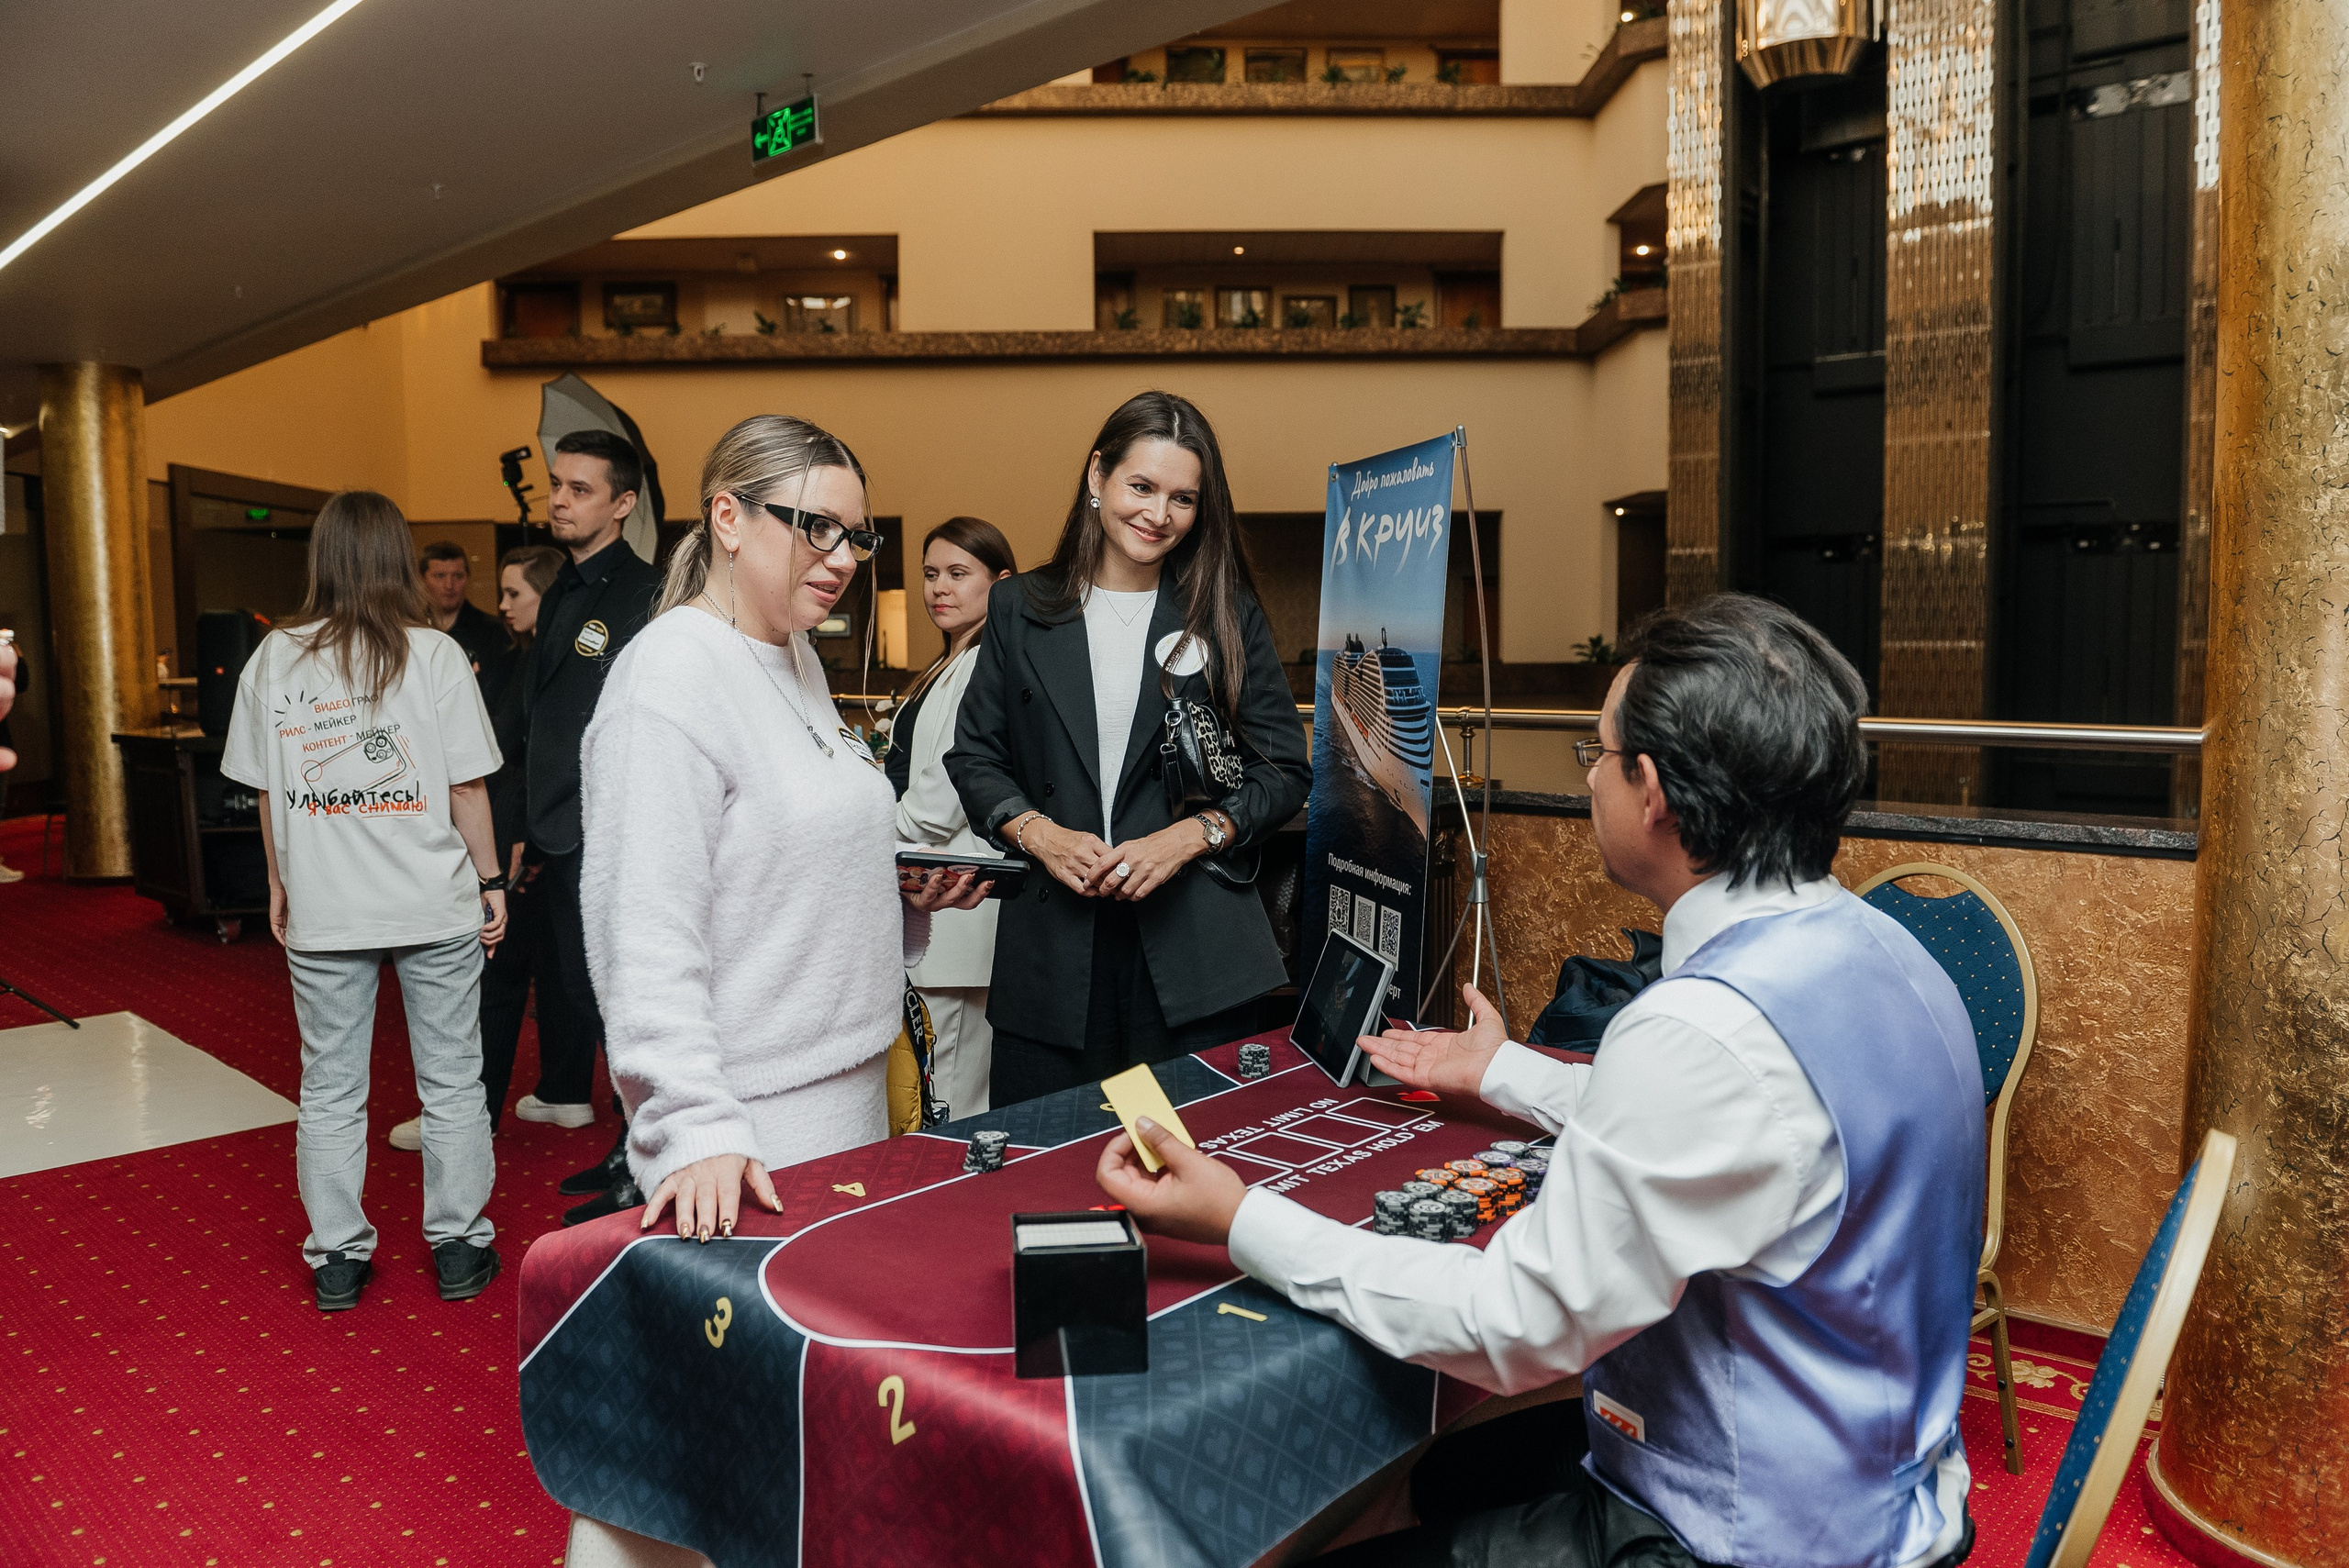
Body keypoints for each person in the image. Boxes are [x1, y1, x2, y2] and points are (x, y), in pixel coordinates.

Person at [1097, 594, 1987, 1568]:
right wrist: (1507, 1072)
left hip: (1738, 1536)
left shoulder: (1700, 1031)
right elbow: (1761, 1129)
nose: (1592, 778)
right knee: (1394, 1479)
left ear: (1652, 790)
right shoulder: (1889, 951)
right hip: (1889, 1487)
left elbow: (1510, 1324)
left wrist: (1240, 1216)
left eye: (1596, 754)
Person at [581, 413, 986, 1242]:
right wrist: (691, 1126)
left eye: (856, 537)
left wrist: (902, 891)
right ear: (728, 518)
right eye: (818, 528)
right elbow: (643, 932)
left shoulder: (795, 655)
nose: (843, 558)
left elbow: (785, 849)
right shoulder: (668, 676)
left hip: (853, 1084)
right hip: (751, 1121)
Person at [947, 390, 1310, 1104]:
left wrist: (1189, 836)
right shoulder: (1020, 606)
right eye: (1141, 486)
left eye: (1182, 497)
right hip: (1054, 953)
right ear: (1097, 477)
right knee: (1044, 1171)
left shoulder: (1224, 609)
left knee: (1183, 1172)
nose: (1158, 513)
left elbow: (1283, 770)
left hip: (1193, 953)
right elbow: (974, 756)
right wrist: (1038, 832)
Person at [218, 490, 509, 1313]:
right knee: (454, 1081)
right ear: (397, 560)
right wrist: (491, 881)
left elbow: (271, 793)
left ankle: (338, 1260)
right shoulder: (436, 656)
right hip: (433, 900)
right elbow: (465, 785)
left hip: (328, 907)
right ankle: (458, 1246)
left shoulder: (277, 657)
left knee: (330, 1087)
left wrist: (280, 883)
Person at [518, 429, 664, 1226]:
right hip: (554, 828)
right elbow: (543, 715)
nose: (561, 500)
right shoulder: (563, 588)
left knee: (622, 993)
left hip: (611, 825)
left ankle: (644, 1152)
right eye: (557, 486)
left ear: (623, 503)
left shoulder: (644, 593)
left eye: (579, 489)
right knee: (579, 990)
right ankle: (628, 1143)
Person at [386, 544, 567, 1152]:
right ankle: (564, 1091)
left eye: (516, 593)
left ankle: (472, 1118)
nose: (503, 603)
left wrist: (510, 843)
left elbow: (512, 762)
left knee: (501, 976)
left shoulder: (528, 657)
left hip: (522, 831)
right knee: (554, 968)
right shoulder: (533, 655)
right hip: (539, 832)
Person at [887, 517, 1017, 1118]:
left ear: (1001, 583)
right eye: (931, 574)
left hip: (957, 912)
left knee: (953, 1104)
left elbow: (939, 803)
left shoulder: (983, 663)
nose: (940, 587)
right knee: (938, 1093)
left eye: (959, 574)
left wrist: (864, 838)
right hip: (938, 911)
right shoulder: (951, 662)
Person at [418, 539, 515, 701]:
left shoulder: (495, 632)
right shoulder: (411, 631)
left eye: (458, 576)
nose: (449, 585)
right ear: (421, 580)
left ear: (467, 578)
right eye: (439, 576)